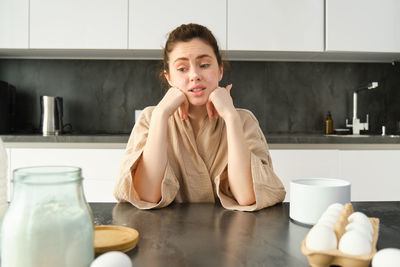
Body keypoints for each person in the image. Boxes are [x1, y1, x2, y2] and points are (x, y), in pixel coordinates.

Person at [114, 23, 285, 211]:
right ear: (168, 77)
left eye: (204, 65)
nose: (194, 75)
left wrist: (231, 116)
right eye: (182, 69)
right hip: (165, 236)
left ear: (220, 70)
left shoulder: (243, 120)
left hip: (231, 237)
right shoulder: (150, 119)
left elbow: (248, 197)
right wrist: (161, 115)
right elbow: (146, 195)